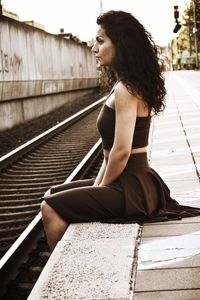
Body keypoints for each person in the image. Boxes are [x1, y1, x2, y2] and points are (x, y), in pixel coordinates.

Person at [41, 10, 200, 251]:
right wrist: (97, 187)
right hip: (134, 182)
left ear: (121, 44)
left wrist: (100, 189)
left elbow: (121, 151)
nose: (94, 48)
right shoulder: (129, 84)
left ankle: (77, 270)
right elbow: (110, 152)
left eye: (101, 40)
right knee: (52, 193)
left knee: (50, 207)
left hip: (129, 187)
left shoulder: (126, 90)